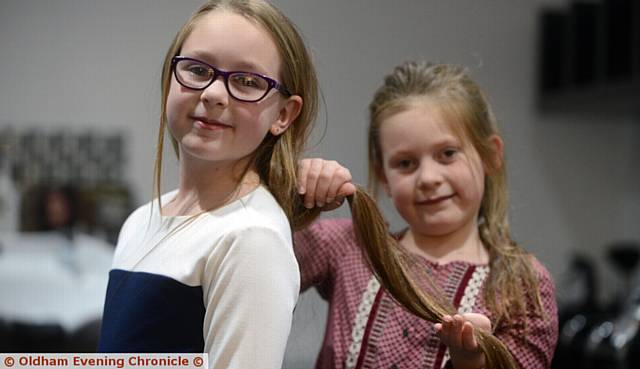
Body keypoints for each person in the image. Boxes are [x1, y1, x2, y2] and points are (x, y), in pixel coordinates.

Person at [97, 1, 320, 368]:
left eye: (247, 81)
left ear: (283, 114)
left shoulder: (250, 239)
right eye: (198, 70)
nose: (214, 94)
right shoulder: (140, 220)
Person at [295, 61, 558, 369]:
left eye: (447, 154)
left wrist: (472, 362)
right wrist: (294, 195)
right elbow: (247, 258)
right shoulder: (350, 247)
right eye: (405, 163)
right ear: (384, 177)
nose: (428, 178)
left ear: (490, 155)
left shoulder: (523, 284)